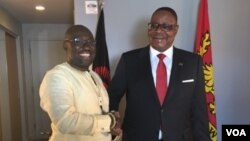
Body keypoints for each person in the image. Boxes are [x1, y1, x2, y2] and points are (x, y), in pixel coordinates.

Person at [108, 7, 210, 141]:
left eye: (166, 27)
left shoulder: (193, 62)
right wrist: (112, 116)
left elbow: (199, 110)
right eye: (154, 26)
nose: (158, 31)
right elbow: (111, 97)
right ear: (149, 29)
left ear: (176, 30)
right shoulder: (129, 60)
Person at [39, 25, 121, 141]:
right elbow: (65, 122)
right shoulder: (57, 76)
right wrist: (110, 121)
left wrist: (111, 125)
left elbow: (98, 110)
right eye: (78, 41)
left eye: (91, 42)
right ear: (65, 45)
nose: (87, 46)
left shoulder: (94, 75)